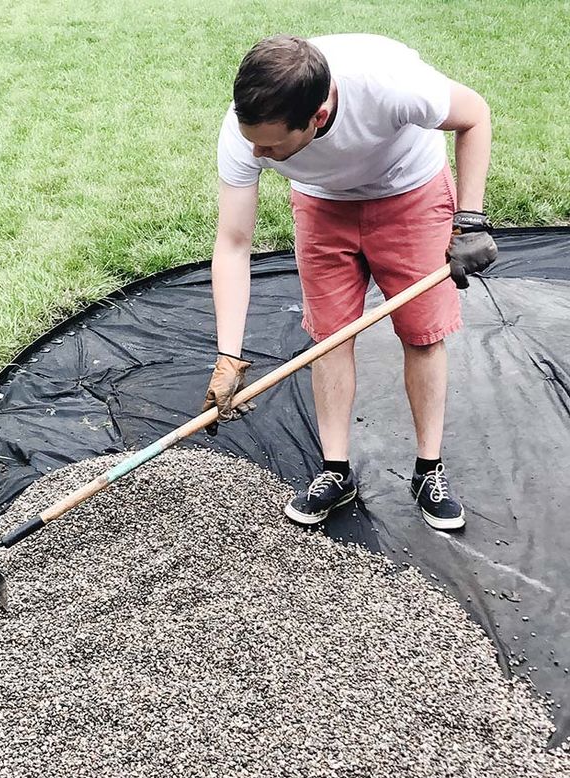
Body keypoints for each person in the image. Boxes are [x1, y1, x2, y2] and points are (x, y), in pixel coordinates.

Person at [202, 33, 497, 531]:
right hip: (321, 204)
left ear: (317, 118)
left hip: (410, 190)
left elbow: (475, 114)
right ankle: (335, 472)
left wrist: (470, 221)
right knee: (330, 338)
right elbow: (233, 243)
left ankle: (429, 470)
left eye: (271, 144)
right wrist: (228, 354)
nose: (256, 150)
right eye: (252, 137)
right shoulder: (244, 131)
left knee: (422, 334)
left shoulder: (390, 85)